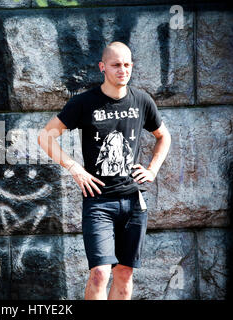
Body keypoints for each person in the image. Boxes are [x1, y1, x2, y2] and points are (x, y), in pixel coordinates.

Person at [38, 42, 171, 300]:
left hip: (133, 202)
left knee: (124, 272)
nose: (123, 70)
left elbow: (163, 136)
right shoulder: (84, 103)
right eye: (116, 65)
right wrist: (75, 168)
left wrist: (152, 170)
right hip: (99, 202)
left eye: (127, 64)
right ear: (102, 67)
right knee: (100, 272)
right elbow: (45, 137)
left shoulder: (142, 101)